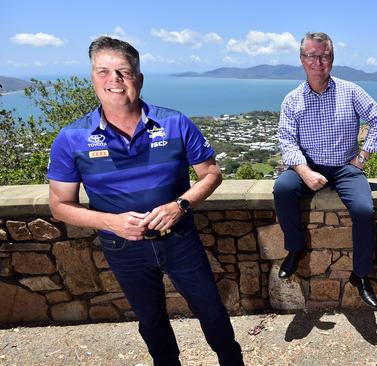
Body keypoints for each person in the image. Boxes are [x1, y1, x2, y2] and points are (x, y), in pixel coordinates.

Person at [47, 36, 244, 366]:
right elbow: (59, 205)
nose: (114, 80)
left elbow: (211, 174)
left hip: (180, 239)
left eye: (123, 71)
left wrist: (180, 205)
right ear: (93, 78)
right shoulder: (71, 138)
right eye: (103, 72)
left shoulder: (175, 123)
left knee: (211, 311)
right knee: (151, 322)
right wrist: (111, 222)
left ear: (138, 78)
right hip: (123, 247)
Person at [273, 32, 377, 308]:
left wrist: (361, 159)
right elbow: (286, 141)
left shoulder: (350, 91)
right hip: (308, 165)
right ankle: (295, 248)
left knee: (363, 211)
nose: (318, 62)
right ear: (302, 60)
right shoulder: (292, 100)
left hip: (346, 167)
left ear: (332, 59)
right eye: (312, 55)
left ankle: (360, 275)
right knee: (282, 189)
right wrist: (304, 171)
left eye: (324, 55)